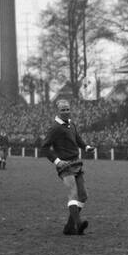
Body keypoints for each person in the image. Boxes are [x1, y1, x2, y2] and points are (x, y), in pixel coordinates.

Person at [42, 99, 96, 234]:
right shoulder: (55, 128)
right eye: (63, 110)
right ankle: (79, 224)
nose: (66, 112)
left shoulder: (71, 124)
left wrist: (86, 147)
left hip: (76, 162)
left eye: (67, 109)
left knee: (83, 196)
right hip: (65, 165)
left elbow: (77, 139)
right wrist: (57, 161)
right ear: (58, 111)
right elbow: (45, 148)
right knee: (73, 193)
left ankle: (69, 227)